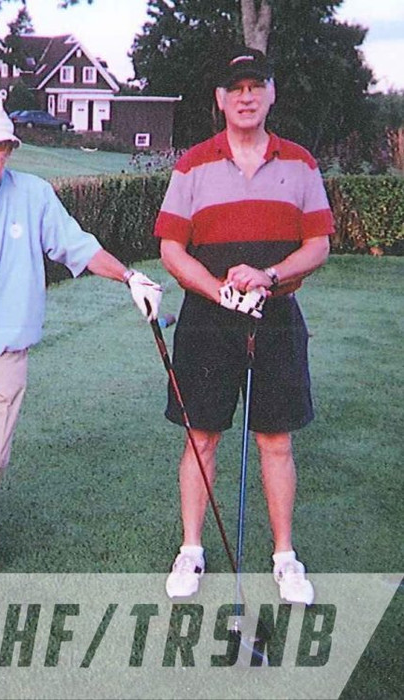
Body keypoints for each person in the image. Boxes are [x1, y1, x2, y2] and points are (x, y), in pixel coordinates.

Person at [0, 100, 163, 575]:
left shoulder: (35, 195)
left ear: (10, 149)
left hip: (7, 349)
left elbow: (78, 246)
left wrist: (129, 276)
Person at [154, 48, 333, 604]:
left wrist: (269, 276)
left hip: (275, 317)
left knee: (275, 440)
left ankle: (285, 556)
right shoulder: (192, 164)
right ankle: (191, 550)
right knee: (201, 437)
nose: (246, 97)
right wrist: (220, 290)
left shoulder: (300, 163)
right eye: (236, 88)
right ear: (220, 99)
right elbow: (171, 249)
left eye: (256, 86)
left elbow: (318, 244)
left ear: (271, 94)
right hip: (208, 320)